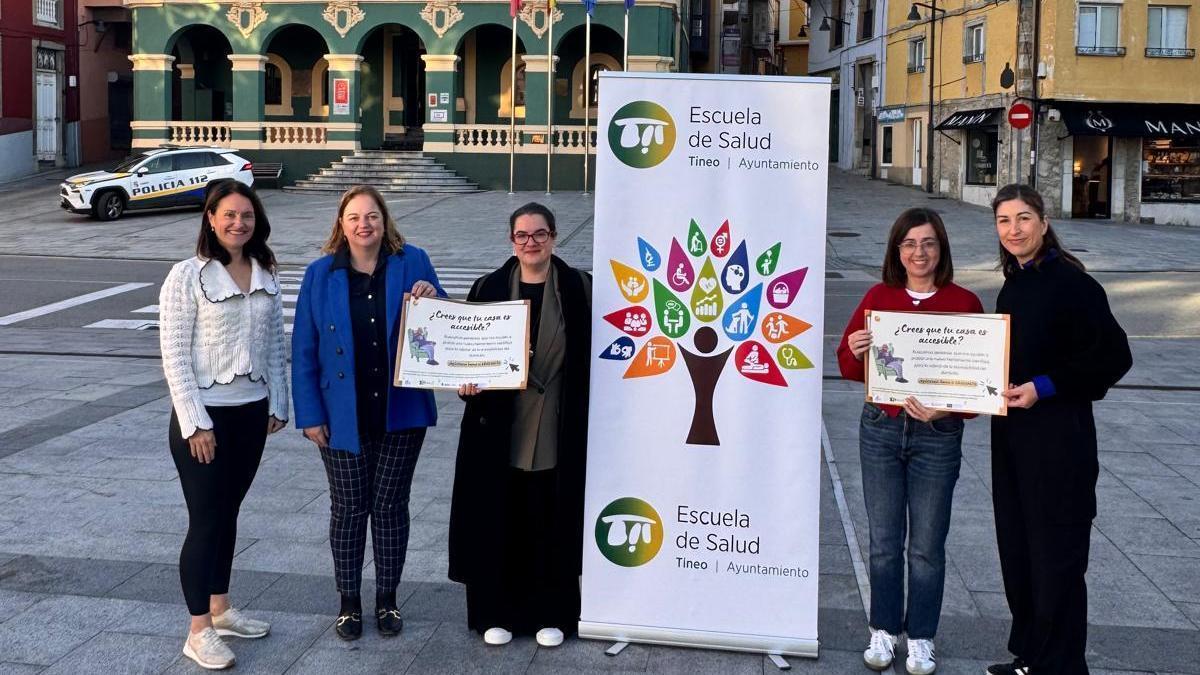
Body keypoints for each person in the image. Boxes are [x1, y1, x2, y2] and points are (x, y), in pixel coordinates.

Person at [985, 185, 1130, 675]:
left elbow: (1113, 356)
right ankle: (1031, 655)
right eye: (1004, 221)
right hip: (1013, 441)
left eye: (1023, 218)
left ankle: (1061, 665)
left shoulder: (1073, 284)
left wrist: (1042, 387)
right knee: (1020, 551)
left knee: (1057, 558)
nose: (1014, 230)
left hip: (1058, 442)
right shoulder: (1015, 283)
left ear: (1044, 223)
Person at [291, 185, 445, 641]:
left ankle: (388, 599)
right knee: (348, 509)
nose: (364, 224)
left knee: (391, 507)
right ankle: (348, 603)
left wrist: (431, 294)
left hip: (402, 412)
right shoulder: (320, 274)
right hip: (341, 417)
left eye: (372, 216)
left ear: (385, 221)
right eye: (355, 217)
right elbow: (304, 350)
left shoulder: (412, 260)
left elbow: (444, 320)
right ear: (341, 224)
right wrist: (310, 415)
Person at [837, 207, 984, 675]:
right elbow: (846, 364)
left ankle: (920, 635)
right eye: (909, 244)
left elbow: (980, 386)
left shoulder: (964, 303)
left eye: (928, 243)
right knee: (883, 541)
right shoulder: (878, 297)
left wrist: (950, 408)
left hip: (936, 436)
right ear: (896, 252)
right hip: (881, 428)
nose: (919, 253)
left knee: (926, 545)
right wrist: (855, 349)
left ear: (941, 249)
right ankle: (883, 628)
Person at [448, 202, 592, 648]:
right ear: (511, 240)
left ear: (554, 236)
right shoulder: (487, 287)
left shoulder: (579, 287)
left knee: (549, 517)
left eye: (540, 234)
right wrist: (463, 383)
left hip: (556, 422)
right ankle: (496, 612)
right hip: (497, 426)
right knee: (499, 516)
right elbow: (464, 357)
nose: (530, 243)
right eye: (522, 235)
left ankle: (553, 613)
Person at [159, 180, 289, 670]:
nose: (239, 223)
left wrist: (279, 402)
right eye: (229, 215)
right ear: (211, 218)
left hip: (251, 413)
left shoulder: (264, 271)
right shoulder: (186, 276)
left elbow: (276, 343)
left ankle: (221, 607)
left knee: (229, 512)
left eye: (247, 216)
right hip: (205, 419)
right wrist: (195, 423)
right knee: (207, 519)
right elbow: (173, 355)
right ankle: (197, 630)